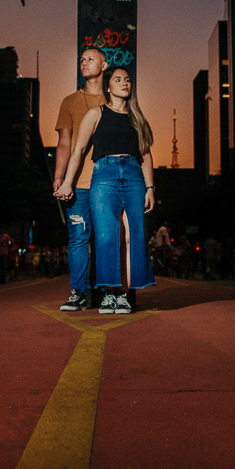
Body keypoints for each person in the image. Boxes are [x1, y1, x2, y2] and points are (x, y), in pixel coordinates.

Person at [55, 67, 155, 313]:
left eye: (128, 80)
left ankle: (124, 294)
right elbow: (78, 150)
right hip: (104, 175)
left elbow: (146, 154)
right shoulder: (96, 113)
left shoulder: (137, 117)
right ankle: (109, 293)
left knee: (132, 237)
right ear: (108, 87)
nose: (124, 83)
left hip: (133, 176)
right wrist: (68, 182)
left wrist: (151, 187)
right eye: (118, 80)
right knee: (107, 236)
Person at [54, 49, 108, 311]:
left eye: (91, 59)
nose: (84, 63)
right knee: (78, 238)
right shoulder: (69, 101)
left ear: (104, 64)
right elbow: (64, 143)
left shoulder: (116, 98)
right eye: (82, 60)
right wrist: (59, 176)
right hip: (79, 183)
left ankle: (106, 291)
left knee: (107, 239)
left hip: (109, 183)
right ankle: (78, 292)